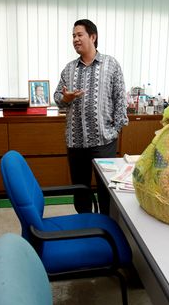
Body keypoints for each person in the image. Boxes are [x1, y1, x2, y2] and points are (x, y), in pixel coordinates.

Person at [54, 19, 128, 214]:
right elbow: (57, 98)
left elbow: (120, 99)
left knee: (106, 188)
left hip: (104, 141)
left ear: (92, 37)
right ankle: (86, 223)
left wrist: (115, 130)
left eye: (79, 35)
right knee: (80, 189)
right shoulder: (69, 69)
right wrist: (66, 98)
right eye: (73, 36)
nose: (75, 39)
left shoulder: (111, 64)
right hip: (76, 142)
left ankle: (106, 224)